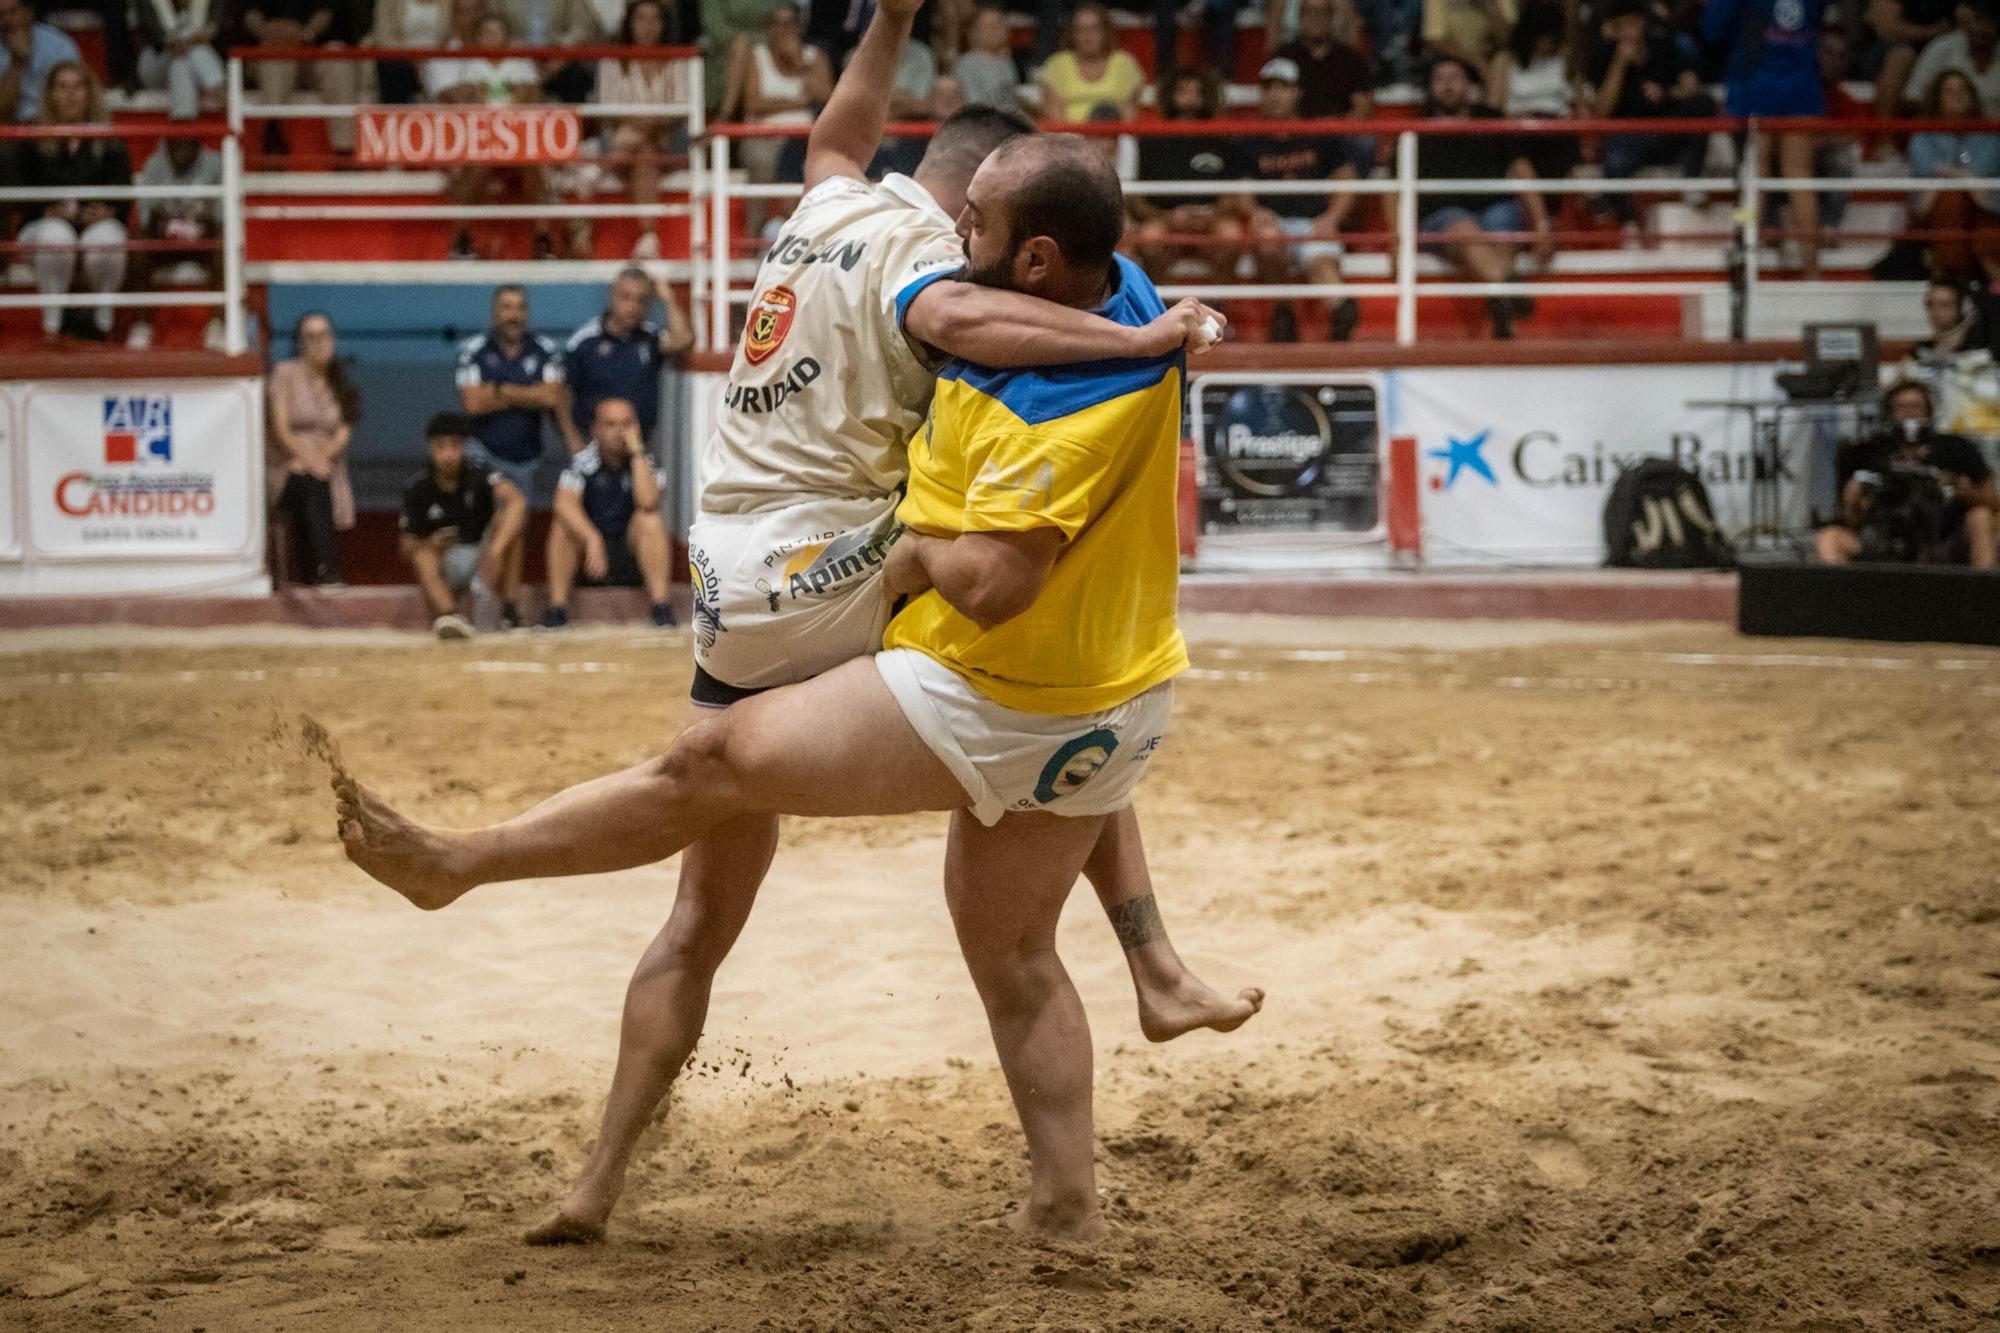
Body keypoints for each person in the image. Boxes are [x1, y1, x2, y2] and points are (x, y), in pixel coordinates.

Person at [341, 0, 1245, 1249]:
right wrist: (1142, 335)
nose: (968, 234)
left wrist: (889, 20)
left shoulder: (830, 202)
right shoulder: (931, 260)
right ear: (959, 208)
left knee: (707, 898)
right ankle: (1148, 960)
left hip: (738, 571)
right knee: (1010, 696)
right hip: (827, 569)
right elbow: (968, 325)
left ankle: (596, 1179)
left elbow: (836, 131)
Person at [1403, 55, 1550, 339]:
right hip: (1443, 216)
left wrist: (1542, 221)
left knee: (1501, 234)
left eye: (1454, 78)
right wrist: (1400, 238)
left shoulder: (1492, 120)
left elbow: (1521, 167)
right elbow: (1396, 189)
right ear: (1431, 87)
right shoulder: (1415, 130)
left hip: (1498, 208)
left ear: (1468, 84)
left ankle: (1502, 311)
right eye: (1440, 79)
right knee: (1467, 233)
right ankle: (1511, 293)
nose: (1447, 86)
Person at [1228, 56, 1364, 342]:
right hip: (1274, 223)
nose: (1275, 94)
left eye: (1283, 87)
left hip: (1314, 222)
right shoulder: (1248, 141)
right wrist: (1254, 211)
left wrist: (1332, 218)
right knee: (1266, 242)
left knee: (1321, 261)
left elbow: (1346, 178)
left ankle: (1341, 312)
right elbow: (1241, 190)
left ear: (1297, 92)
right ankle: (1284, 312)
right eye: (1268, 88)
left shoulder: (1320, 135)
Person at [456, 284, 567, 623]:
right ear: (494, 312)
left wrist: (501, 390)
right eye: (506, 307)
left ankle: (505, 606)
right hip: (482, 453)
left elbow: (551, 397)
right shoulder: (474, 350)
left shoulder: (545, 349)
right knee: (508, 514)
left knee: (515, 527)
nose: (513, 314)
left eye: (519, 307)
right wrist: (527, 393)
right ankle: (486, 594)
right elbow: (473, 403)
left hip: (525, 457)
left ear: (527, 312)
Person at [6, 62, 129, 341]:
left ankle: (103, 323)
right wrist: (46, 210)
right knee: (56, 235)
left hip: (93, 226)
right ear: (50, 94)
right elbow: (19, 192)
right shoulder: (32, 137)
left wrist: (108, 210)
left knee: (108, 238)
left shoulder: (108, 139)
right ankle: (53, 326)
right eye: (62, 87)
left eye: (77, 87)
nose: (70, 95)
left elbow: (124, 192)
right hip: (42, 227)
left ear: (89, 93)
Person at [1703, 0, 1825, 278]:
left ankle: (1746, 263)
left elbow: (1713, 30)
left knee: (1752, 177)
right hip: (1801, 86)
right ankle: (1813, 269)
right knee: (1800, 176)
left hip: (1753, 86)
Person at [1817, 379, 1997, 567]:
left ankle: (1984, 590)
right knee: (1829, 538)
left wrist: (1968, 493)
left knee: (1980, 517)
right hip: (1884, 533)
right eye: (1902, 407)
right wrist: (1852, 501)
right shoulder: (1867, 451)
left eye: (1916, 406)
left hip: (1944, 535)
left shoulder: (1956, 448)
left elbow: (1991, 501)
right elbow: (1849, 519)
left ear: (1929, 410)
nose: (1910, 412)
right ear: (1890, 412)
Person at [426, 3, 553, 260]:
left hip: (515, 137)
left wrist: (493, 99)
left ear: (506, 36)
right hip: (475, 138)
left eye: (497, 33)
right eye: (486, 33)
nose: (492, 38)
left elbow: (530, 92)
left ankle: (543, 241)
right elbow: (458, 96)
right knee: (478, 165)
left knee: (535, 165)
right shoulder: (464, 62)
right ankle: (461, 241)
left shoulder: (519, 61)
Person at [542, 397, 678, 628]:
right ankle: (557, 610)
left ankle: (661, 608)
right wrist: (591, 538)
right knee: (562, 524)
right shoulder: (582, 462)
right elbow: (563, 503)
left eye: (626, 424)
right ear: (595, 429)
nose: (619, 432)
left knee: (651, 520)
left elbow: (648, 502)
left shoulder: (649, 463)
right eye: (611, 425)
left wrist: (636, 453)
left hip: (631, 554)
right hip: (590, 557)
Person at [1587, 0, 1717, 225]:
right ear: (1613, 28)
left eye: (1633, 24)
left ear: (1643, 23)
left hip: (1665, 132)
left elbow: (1691, 85)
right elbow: (1600, 111)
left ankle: (1692, 181)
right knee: (1616, 163)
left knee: (1703, 102)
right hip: (1626, 140)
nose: (1629, 32)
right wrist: (1619, 63)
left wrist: (1666, 93)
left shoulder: (1662, 45)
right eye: (1622, 26)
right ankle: (1624, 220)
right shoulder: (1603, 54)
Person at [401, 411, 530, 638]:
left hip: (484, 558)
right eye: (441, 447)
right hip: (447, 564)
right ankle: (449, 616)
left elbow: (517, 500)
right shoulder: (417, 488)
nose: (448, 454)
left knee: (510, 525)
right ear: (430, 447)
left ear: (465, 447)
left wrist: (496, 550)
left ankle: (510, 611)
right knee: (422, 554)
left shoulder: (480, 475)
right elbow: (406, 547)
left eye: (455, 446)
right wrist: (432, 542)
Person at [268, 312, 360, 587]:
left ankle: (319, 571)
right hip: (286, 467)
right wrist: (306, 460)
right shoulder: (285, 374)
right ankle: (324, 570)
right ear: (299, 342)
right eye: (311, 336)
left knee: (316, 480)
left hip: (327, 467)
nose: (319, 342)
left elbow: (343, 433)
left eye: (324, 335)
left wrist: (320, 460)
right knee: (310, 480)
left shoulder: (341, 384)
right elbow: (280, 428)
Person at [596, 0, 693, 260]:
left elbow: (681, 107)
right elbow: (608, 109)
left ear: (663, 24)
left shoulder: (678, 58)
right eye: (641, 19)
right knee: (644, 153)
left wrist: (651, 123)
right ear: (630, 23)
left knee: (642, 145)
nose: (648, 26)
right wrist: (648, 124)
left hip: (669, 138)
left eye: (654, 19)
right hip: (627, 136)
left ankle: (596, 170)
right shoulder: (613, 60)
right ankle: (649, 237)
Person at [1131, 66, 1242, 282]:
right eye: (1183, 90)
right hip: (1165, 219)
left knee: (1232, 234)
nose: (1190, 96)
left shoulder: (1221, 140)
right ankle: (1162, 306)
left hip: (1211, 219)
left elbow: (1232, 195)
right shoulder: (1151, 141)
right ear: (1170, 94)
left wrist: (1210, 215)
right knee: (1149, 237)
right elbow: (1137, 200)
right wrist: (1167, 217)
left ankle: (1217, 303)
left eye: (1196, 91)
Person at [563, 266, 694, 448]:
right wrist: (575, 444)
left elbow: (683, 340)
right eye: (625, 297)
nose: (633, 307)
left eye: (641, 300)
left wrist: (668, 298)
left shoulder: (650, 338)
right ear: (612, 296)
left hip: (640, 445)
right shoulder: (584, 342)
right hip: (593, 446)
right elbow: (562, 397)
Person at [126, 131, 225, 351]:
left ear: (199, 145)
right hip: (165, 241)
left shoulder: (216, 162)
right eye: (175, 145)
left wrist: (198, 225)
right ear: (167, 145)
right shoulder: (155, 163)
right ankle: (141, 325)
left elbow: (221, 216)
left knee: (225, 240)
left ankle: (218, 324)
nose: (181, 152)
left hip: (202, 240)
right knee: (137, 240)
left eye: (188, 145)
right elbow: (145, 216)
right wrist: (166, 225)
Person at [1908, 68, 2000, 285]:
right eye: (1949, 91)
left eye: (1962, 90)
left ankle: (1952, 280)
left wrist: (1947, 173)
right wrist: (1964, 177)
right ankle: (1954, 282)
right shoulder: (1923, 134)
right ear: (1937, 98)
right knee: (1952, 200)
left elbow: (1983, 176)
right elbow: (1927, 171)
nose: (1957, 95)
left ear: (1971, 95)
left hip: (1984, 209)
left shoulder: (1990, 135)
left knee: (1977, 217)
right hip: (1932, 210)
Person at [240, 0, 363, 157]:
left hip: (313, 51)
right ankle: (274, 137)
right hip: (268, 50)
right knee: (275, 54)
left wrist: (305, 33)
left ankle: (344, 151)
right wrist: (266, 31)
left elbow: (328, 11)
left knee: (337, 54)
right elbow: (248, 12)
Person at [1490, 0, 1577, 183]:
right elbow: (1493, 107)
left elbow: (1576, 97)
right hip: (1520, 131)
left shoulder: (1565, 57)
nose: (1546, 43)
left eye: (1551, 37)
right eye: (1541, 37)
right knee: (1519, 155)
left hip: (1558, 129)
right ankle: (1541, 212)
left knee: (1566, 148)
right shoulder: (1506, 60)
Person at [1036, 3, 1144, 122]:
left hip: (1113, 137)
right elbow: (1055, 118)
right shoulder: (1057, 65)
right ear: (1072, 33)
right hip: (1069, 138)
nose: (1088, 35)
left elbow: (1128, 117)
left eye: (1094, 28)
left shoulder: (1124, 64)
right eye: (1080, 29)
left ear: (1106, 31)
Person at [1274, 0, 1373, 119]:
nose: (1316, 19)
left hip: (1341, 131)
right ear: (1300, 18)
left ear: (1331, 18)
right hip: (1296, 131)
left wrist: (1337, 126)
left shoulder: (1352, 59)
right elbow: (1274, 103)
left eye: (1322, 13)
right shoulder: (1284, 57)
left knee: (1364, 138)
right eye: (1310, 13)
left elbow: (1362, 107)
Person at [135, 0, 225, 121]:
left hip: (189, 66)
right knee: (189, 49)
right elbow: (155, 37)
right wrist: (180, 43)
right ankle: (216, 86)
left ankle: (182, 129)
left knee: (180, 65)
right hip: (156, 62)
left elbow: (213, 28)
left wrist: (190, 41)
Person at [1905, 0, 2000, 112]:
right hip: (1943, 126)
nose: (1980, 28)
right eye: (1977, 19)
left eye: (1988, 21)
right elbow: (1913, 99)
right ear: (1966, 20)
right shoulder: (1941, 47)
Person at [1869, 0, 1958, 116]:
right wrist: (1935, 31)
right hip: (1898, 47)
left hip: (1948, 44)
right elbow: (1886, 28)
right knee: (1901, 56)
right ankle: (1885, 129)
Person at [0, 0, 79, 123]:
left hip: (52, 129)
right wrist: (17, 63)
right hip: (7, 132)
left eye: (13, 12)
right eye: (1, 14)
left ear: (29, 13)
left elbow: (74, 103)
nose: (6, 20)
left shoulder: (60, 46)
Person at [954, 4, 1023, 114]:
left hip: (1010, 122)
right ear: (973, 32)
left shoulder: (1007, 61)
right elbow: (973, 104)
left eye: (1000, 24)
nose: (997, 30)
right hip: (982, 123)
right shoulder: (967, 63)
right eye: (990, 26)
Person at [1422, 0, 1516, 68]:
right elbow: (1434, 40)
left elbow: (1508, 40)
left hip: (1494, 58)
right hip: (1454, 59)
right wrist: (1477, 63)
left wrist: (1490, 8)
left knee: (1501, 61)